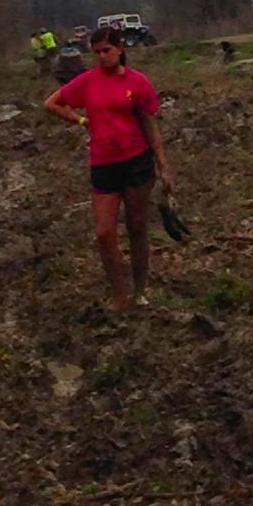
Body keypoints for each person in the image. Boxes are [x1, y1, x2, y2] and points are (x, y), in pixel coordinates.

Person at [43, 26, 173, 312]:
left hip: (137, 162)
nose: (102, 56)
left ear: (120, 49)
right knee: (104, 233)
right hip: (103, 164)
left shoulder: (137, 82)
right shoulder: (87, 82)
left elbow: (150, 124)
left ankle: (140, 290)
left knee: (137, 228)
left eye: (107, 50)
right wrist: (80, 121)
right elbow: (52, 104)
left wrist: (163, 165)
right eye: (97, 52)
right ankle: (119, 294)